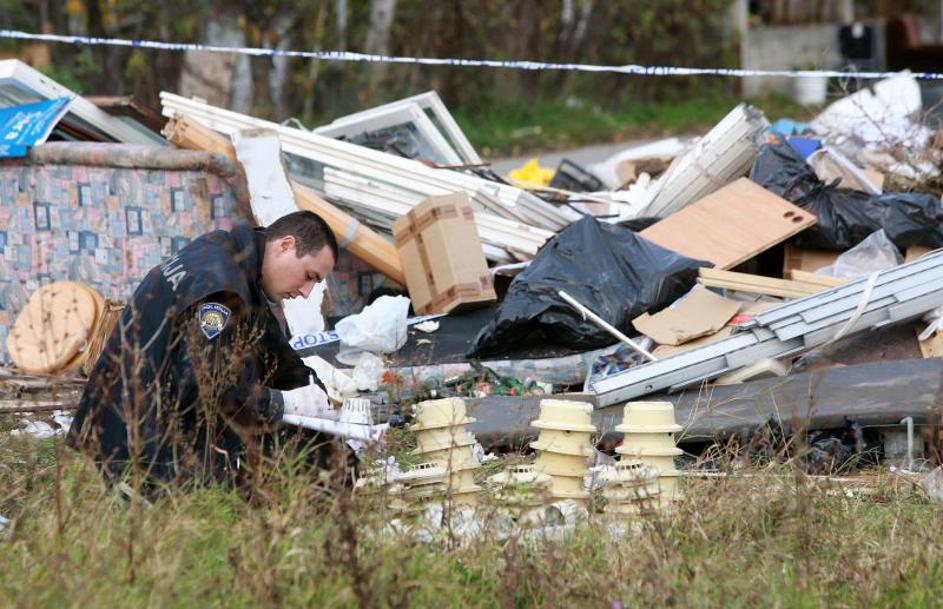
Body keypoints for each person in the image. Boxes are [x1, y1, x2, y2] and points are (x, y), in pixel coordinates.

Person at [68, 211, 341, 489]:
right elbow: (207, 384)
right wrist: (280, 403)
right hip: (136, 448)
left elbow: (271, 344)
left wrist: (316, 394)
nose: (306, 292)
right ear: (286, 245)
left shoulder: (227, 254)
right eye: (309, 276)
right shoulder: (221, 290)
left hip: (123, 425)